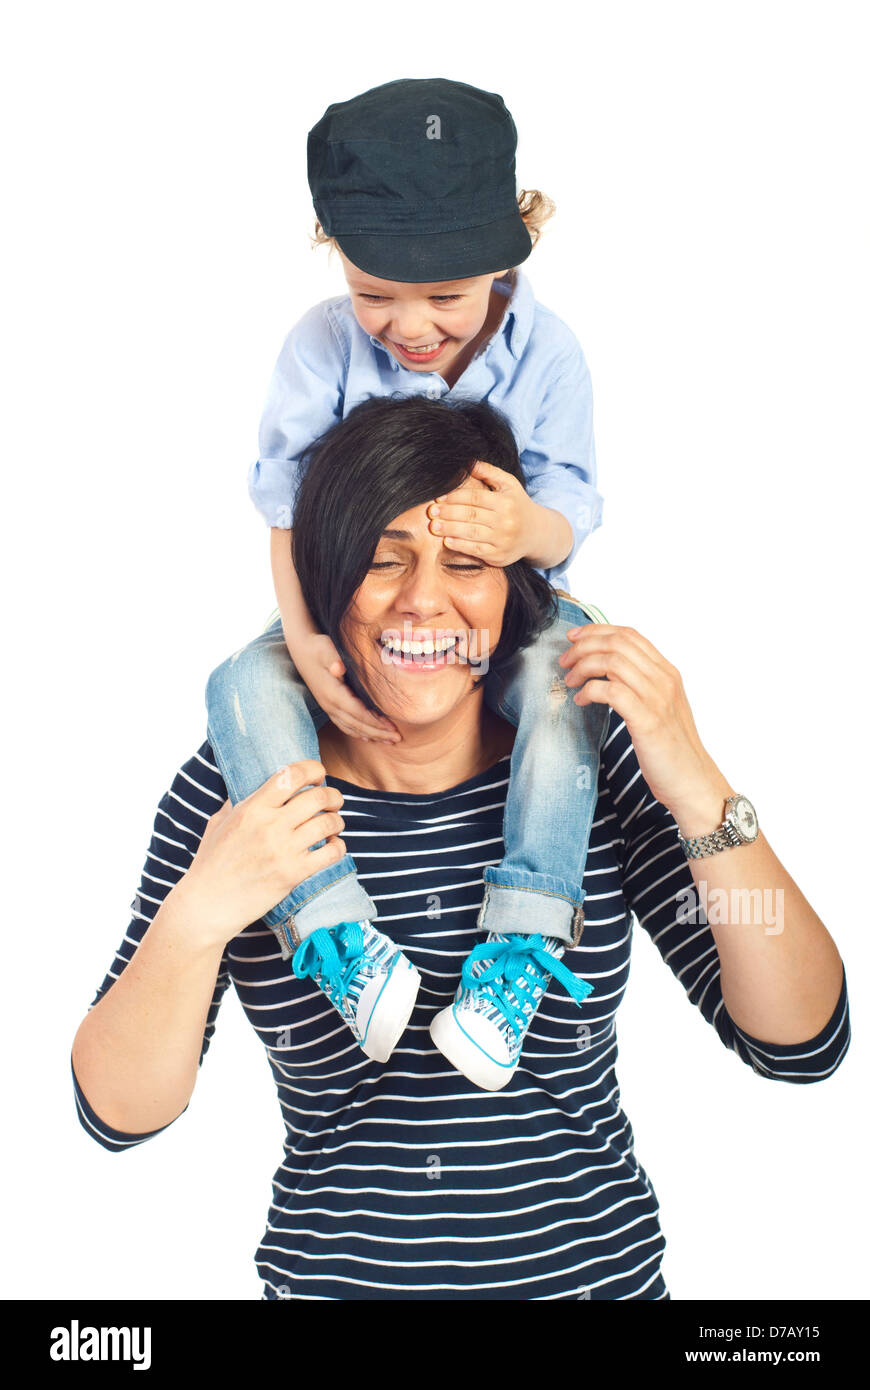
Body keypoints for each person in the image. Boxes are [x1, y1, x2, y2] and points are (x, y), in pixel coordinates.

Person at [71, 395, 850, 1301]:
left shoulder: (595, 769)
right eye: (381, 560)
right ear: (321, 580)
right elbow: (117, 1117)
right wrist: (198, 917)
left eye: (468, 562)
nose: (423, 601)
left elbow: (800, 1042)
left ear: (516, 582)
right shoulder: (245, 792)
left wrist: (698, 782)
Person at [205, 77, 608, 1088]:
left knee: (565, 695)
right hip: (345, 607)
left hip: (510, 608)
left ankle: (516, 948)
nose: (411, 326)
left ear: (511, 249)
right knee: (236, 687)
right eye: (374, 293)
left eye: (445, 296)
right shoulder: (318, 346)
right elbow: (286, 507)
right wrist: (302, 641)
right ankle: (335, 931)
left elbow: (572, 516)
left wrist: (522, 528)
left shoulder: (548, 354)